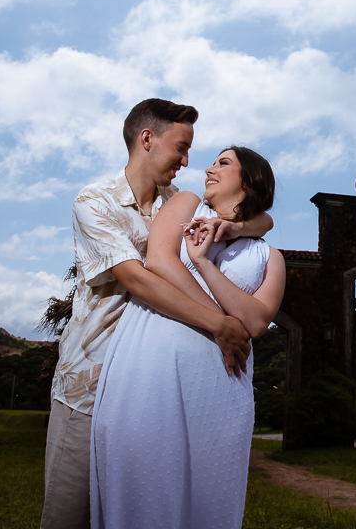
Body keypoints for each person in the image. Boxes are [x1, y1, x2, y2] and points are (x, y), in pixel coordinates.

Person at [41, 100, 273, 529]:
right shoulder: (94, 202)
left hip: (151, 388)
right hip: (89, 385)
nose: (188, 161)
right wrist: (220, 322)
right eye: (181, 148)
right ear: (147, 139)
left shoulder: (177, 201)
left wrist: (241, 228)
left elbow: (259, 216)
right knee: (68, 517)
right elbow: (140, 279)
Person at [91, 146, 286, 529]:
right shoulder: (186, 203)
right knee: (144, 486)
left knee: (209, 496)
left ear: (250, 181)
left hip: (222, 385)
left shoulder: (269, 256)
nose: (209, 168)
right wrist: (220, 321)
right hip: (152, 365)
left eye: (223, 162)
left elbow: (257, 322)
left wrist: (201, 262)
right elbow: (159, 261)